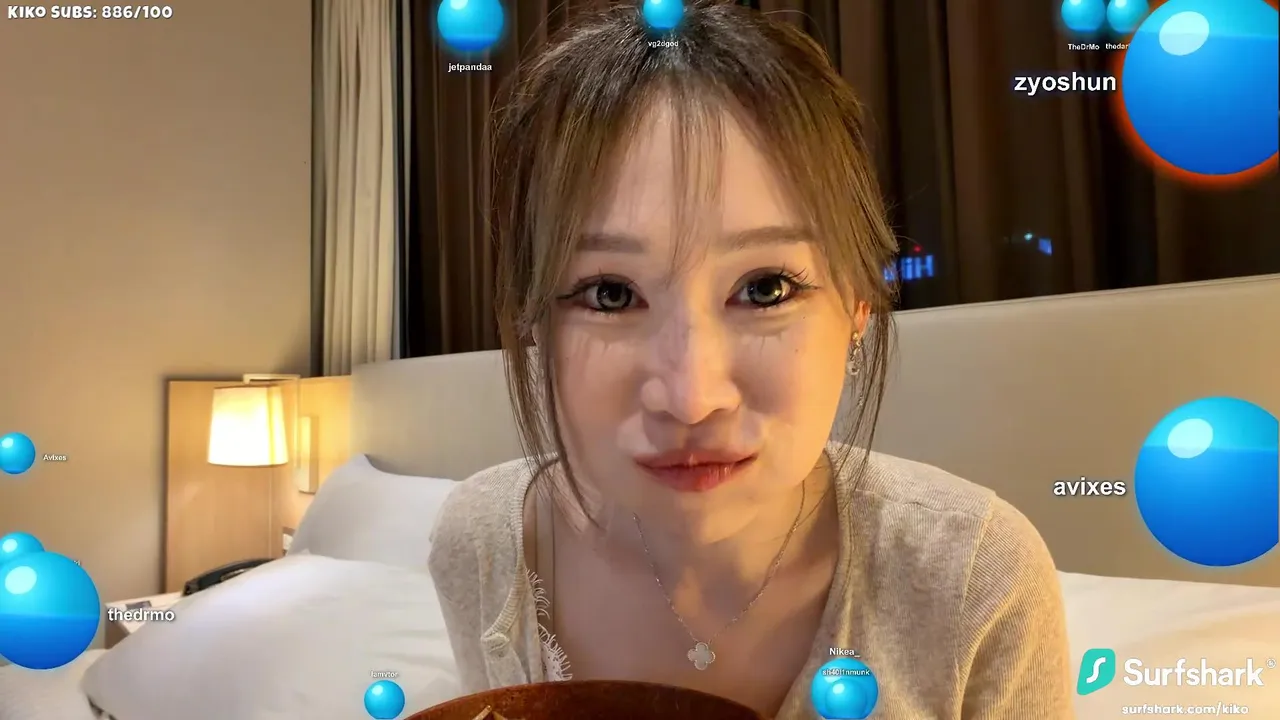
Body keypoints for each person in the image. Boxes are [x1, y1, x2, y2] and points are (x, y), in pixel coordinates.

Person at [428, 1, 1073, 717]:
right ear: (532, 319)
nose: (691, 396)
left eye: (766, 289)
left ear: (860, 302)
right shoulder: (482, 544)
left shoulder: (973, 579)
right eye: (609, 294)